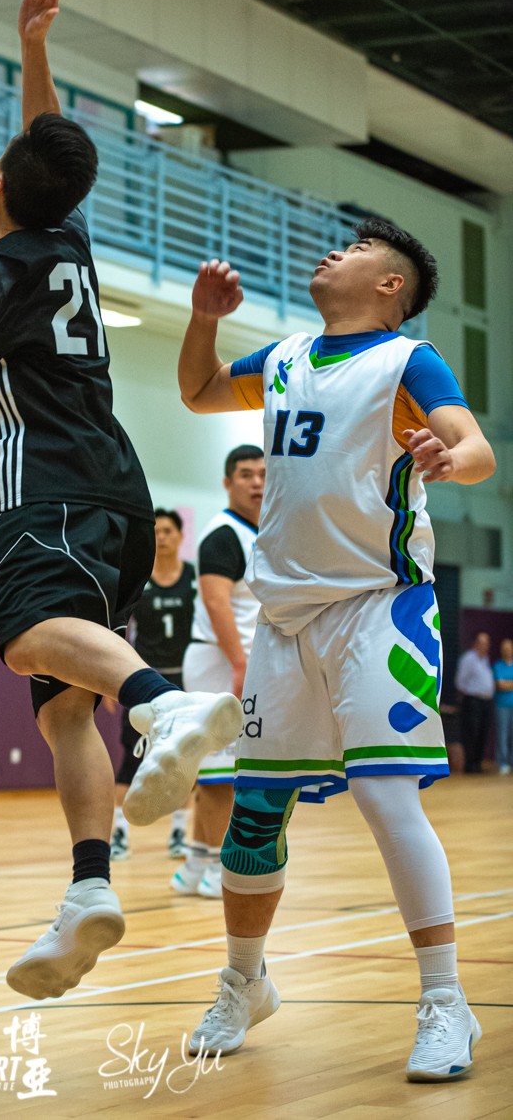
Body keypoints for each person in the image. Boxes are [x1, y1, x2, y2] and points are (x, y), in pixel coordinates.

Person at [0, 0, 242, 1002]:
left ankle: (160, 704)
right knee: (61, 712)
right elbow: (45, 150)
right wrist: (33, 47)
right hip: (119, 492)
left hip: (42, 487)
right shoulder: (72, 242)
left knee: (26, 638)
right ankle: (89, 887)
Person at [177, 218, 495, 1081]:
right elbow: (199, 391)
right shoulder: (283, 357)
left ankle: (445, 1001)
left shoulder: (406, 361)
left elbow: (475, 448)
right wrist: (202, 318)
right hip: (284, 620)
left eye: (353, 250)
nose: (331, 252)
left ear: (390, 285)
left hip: (377, 608)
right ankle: (243, 981)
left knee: (385, 795)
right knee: (253, 816)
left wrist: (448, 454)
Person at [172, 445, 264, 900]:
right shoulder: (223, 534)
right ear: (227, 483)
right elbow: (215, 601)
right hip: (219, 661)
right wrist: (241, 662)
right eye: (245, 474)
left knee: (220, 772)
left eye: (263, 473)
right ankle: (216, 869)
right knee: (221, 775)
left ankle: (195, 866)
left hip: (232, 661)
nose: (257, 482)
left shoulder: (261, 531)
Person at [110, 508, 197, 862]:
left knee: (187, 757)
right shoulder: (137, 578)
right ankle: (118, 834)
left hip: (186, 679)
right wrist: (112, 679)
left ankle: (179, 833)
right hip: (145, 681)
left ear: (180, 536)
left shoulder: (194, 578)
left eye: (168, 531)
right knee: (132, 758)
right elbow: (117, 627)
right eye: (156, 531)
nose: (161, 537)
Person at [454, 631, 494, 773]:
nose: (485, 646)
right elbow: (460, 681)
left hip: (486, 702)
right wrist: (469, 695)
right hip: (473, 701)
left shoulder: (485, 659)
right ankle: (470, 765)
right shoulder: (469, 659)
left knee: (483, 732)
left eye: (487, 643)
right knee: (472, 733)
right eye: (482, 643)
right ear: (476, 643)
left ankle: (477, 763)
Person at [491, 638, 513, 775]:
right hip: (501, 706)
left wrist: (507, 683)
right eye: (505, 649)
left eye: (509, 648)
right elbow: (500, 685)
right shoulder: (498, 666)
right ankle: (503, 762)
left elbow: (504, 684)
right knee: (503, 735)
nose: (507, 651)